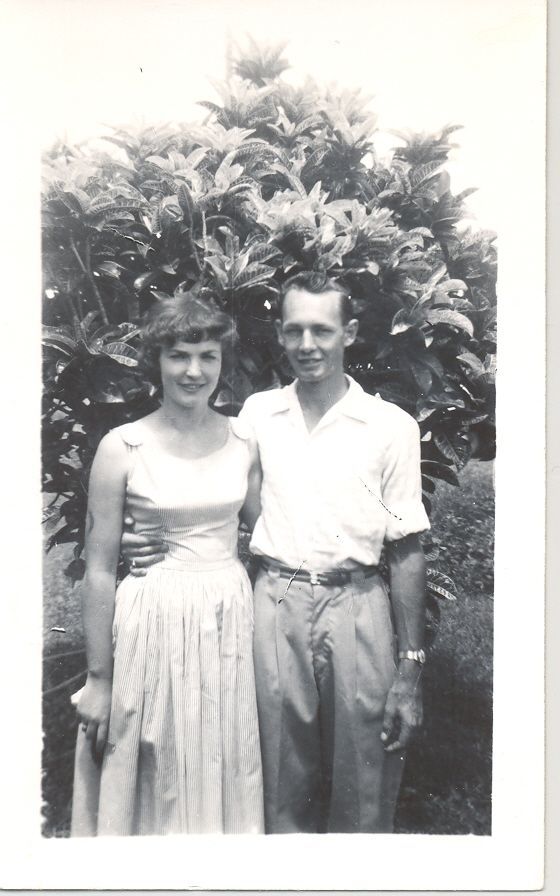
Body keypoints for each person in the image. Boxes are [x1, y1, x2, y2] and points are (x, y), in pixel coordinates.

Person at [123, 272, 429, 834]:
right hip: (274, 601)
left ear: (349, 333)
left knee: (366, 773)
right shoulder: (257, 417)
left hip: (357, 604)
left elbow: (407, 547)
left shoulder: (391, 427)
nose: (306, 345)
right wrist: (147, 534)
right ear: (281, 335)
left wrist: (410, 668)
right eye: (294, 331)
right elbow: (215, 497)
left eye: (322, 330)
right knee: (276, 776)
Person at [71, 295, 264, 836]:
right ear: (156, 360)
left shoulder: (243, 441)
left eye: (207, 357)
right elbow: (98, 568)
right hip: (151, 615)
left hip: (226, 616)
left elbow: (271, 530)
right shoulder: (123, 447)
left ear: (223, 363)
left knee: (220, 749)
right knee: (151, 747)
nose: (193, 371)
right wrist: (98, 679)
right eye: (178, 355)